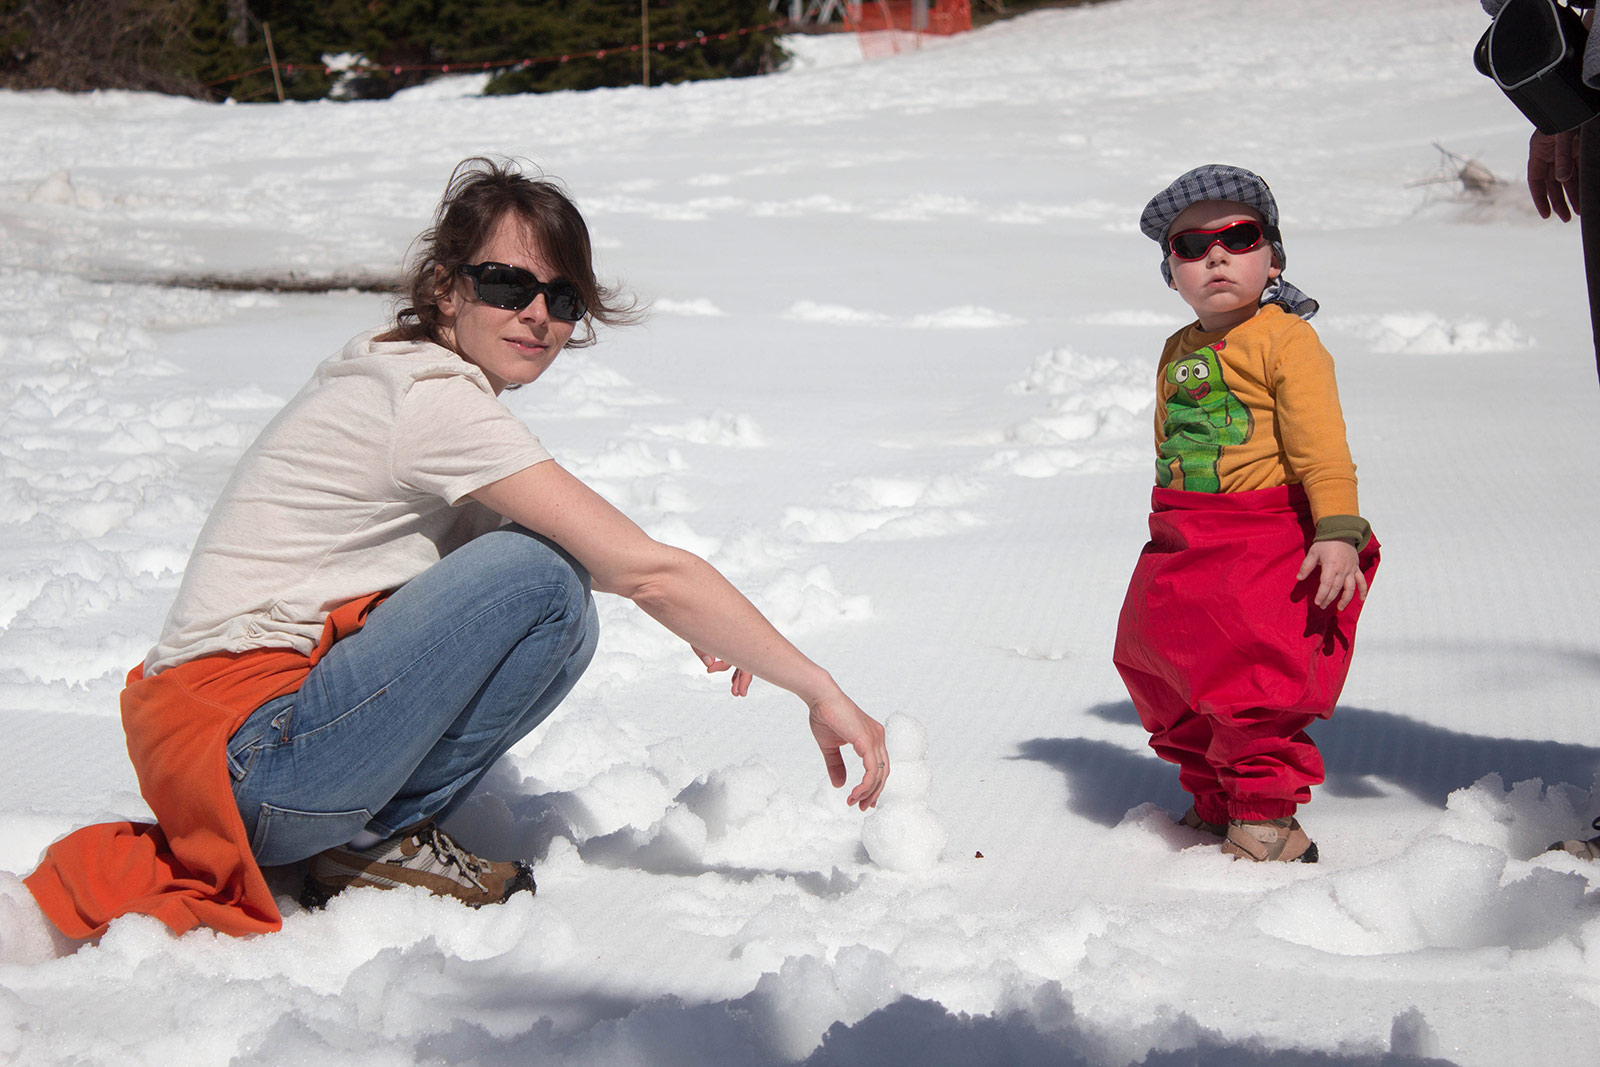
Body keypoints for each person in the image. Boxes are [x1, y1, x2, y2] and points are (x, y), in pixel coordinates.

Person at [23, 156, 889, 940]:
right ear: (446, 287)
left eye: (563, 299)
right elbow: (639, 567)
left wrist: (683, 609)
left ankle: (362, 839)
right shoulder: (431, 403)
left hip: (239, 756)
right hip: (251, 756)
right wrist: (816, 687)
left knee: (558, 594)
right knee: (545, 579)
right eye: (508, 284)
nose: (538, 315)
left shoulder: (401, 371)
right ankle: (367, 838)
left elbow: (605, 565)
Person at [1111, 164, 1380, 864]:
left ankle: (1265, 818)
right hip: (1183, 533)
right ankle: (1218, 797)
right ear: (1172, 274)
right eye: (1190, 246)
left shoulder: (1286, 339)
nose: (1216, 256)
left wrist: (1337, 530)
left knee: (1251, 681)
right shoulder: (1179, 349)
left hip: (1263, 535)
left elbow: (1322, 446)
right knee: (1156, 662)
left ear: (1273, 260)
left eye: (1238, 237)